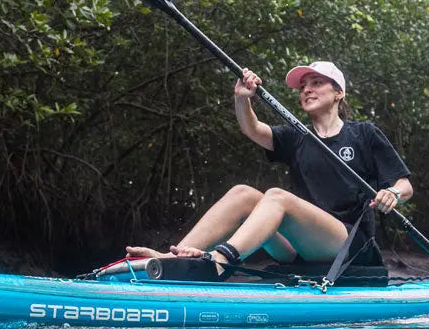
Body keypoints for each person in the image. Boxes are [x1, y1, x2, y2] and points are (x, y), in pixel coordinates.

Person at [126, 61, 413, 277]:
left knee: (277, 196)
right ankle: (172, 258)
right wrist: (242, 98)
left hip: (349, 244)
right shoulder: (297, 136)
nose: (306, 89)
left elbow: (404, 184)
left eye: (315, 83)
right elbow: (253, 129)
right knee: (243, 194)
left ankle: (219, 261)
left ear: (338, 93)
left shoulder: (364, 134)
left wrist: (392, 193)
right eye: (303, 87)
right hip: (300, 247)